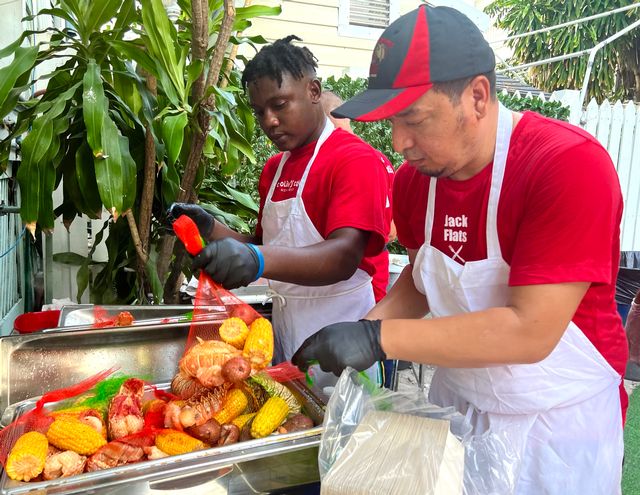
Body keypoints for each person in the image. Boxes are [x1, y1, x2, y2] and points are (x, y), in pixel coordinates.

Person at [293, 5, 627, 493]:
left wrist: (378, 339)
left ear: (476, 96)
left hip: (556, 425)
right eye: (390, 121)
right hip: (458, 403)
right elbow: (425, 278)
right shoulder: (415, 182)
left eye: (414, 118)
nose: (399, 141)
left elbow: (530, 332)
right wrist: (365, 325)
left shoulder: (566, 166)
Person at [169, 36, 392, 395]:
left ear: (314, 90)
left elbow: (343, 256)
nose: (269, 121)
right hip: (287, 332)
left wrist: (257, 259)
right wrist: (211, 228)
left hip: (344, 335)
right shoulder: (274, 169)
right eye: (259, 111)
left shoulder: (354, 160)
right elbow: (267, 246)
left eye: (280, 104)